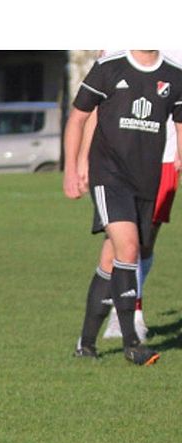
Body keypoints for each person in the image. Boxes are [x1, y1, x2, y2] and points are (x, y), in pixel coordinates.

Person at [63, 49, 182, 365]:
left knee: (112, 257)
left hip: (146, 179)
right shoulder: (109, 67)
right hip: (109, 175)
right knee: (128, 248)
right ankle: (131, 342)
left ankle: (85, 344)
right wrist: (73, 169)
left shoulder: (174, 75)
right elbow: (79, 117)